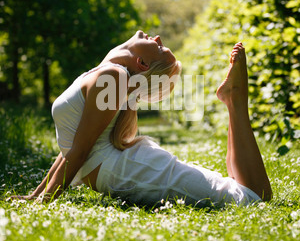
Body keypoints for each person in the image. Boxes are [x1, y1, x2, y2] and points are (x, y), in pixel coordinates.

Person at [13, 30, 272, 207]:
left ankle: (236, 100)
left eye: (159, 47)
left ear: (142, 64)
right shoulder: (107, 74)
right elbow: (71, 147)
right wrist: (36, 196)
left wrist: (44, 201)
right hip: (120, 169)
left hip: (127, 170)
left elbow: (78, 151)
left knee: (253, 197)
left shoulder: (113, 77)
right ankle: (233, 100)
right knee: (244, 192)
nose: (157, 37)